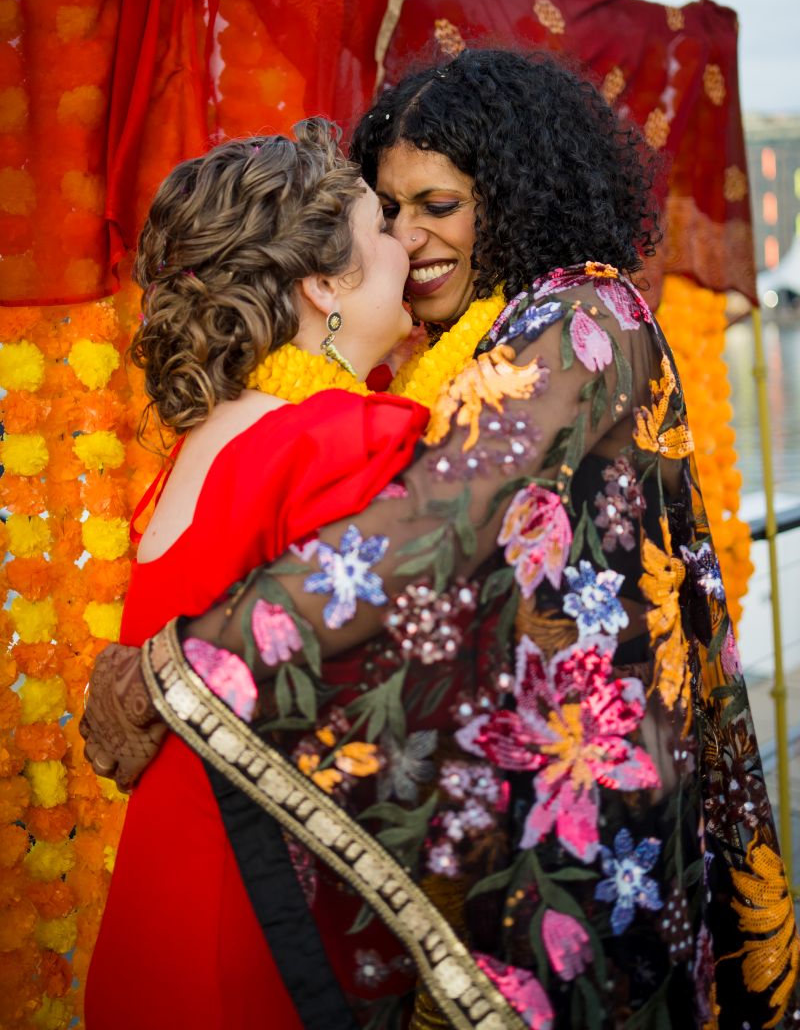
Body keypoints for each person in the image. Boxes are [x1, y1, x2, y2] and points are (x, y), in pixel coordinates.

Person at [83, 50, 799, 1029]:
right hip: (458, 818)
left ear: (511, 197)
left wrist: (177, 667)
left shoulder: (579, 310)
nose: (411, 236)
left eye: (438, 204)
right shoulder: (414, 375)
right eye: (388, 210)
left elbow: (439, 516)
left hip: (586, 799)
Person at [83, 118, 430, 1029]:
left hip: (154, 924)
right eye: (382, 225)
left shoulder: (210, 438)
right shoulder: (340, 441)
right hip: (263, 947)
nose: (408, 245)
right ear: (324, 284)